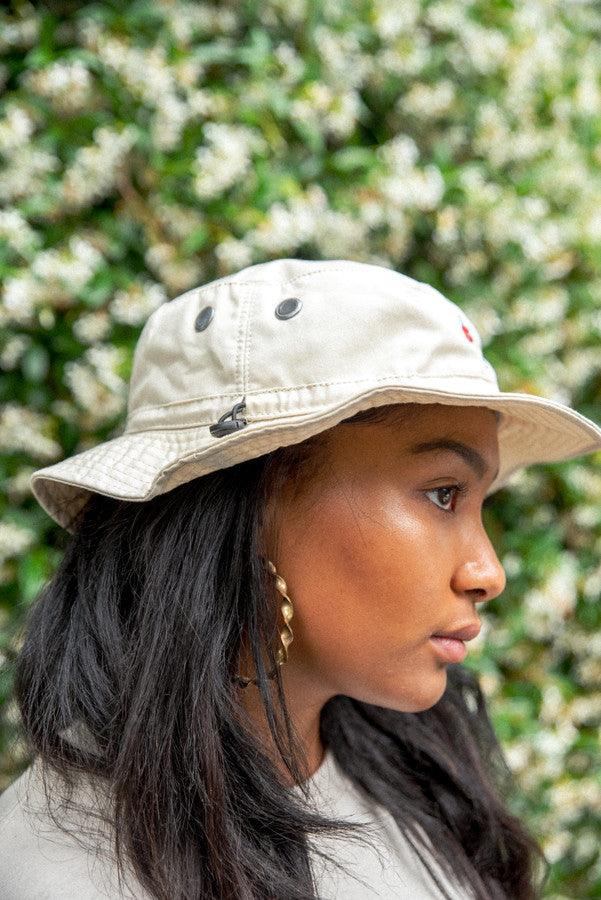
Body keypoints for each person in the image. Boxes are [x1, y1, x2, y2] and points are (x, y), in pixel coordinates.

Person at [1, 258, 600, 899]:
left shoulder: (410, 771)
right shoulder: (63, 871)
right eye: (443, 494)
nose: (489, 572)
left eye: (483, 504)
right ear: (261, 502)